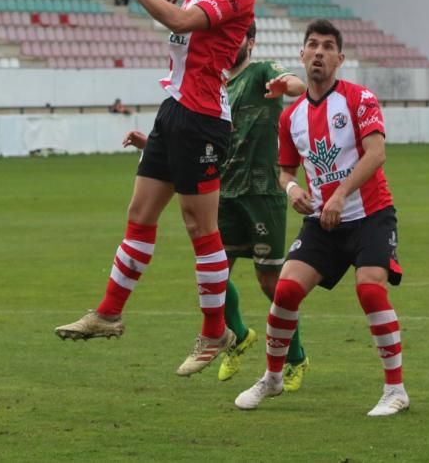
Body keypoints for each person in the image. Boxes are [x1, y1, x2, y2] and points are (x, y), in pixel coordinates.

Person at [54, 0, 255, 377]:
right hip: (174, 113)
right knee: (139, 215)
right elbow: (190, 5)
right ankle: (108, 313)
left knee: (199, 228)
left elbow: (184, 20)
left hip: (203, 119)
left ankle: (215, 332)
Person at [233, 19, 408, 417]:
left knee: (370, 290)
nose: (318, 52)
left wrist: (341, 193)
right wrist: (294, 191)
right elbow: (285, 172)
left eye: (328, 47)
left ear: (340, 58)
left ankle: (395, 390)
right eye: (312, 45)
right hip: (323, 222)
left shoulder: (359, 98)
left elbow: (376, 153)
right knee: (286, 291)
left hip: (370, 214)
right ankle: (273, 378)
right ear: (301, 55)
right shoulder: (290, 116)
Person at [122, 21, 310, 389]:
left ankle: (296, 358)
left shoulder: (261, 71)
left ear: (250, 41)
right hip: (222, 192)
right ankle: (238, 336)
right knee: (214, 274)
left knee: (271, 283)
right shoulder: (213, 80)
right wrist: (154, 146)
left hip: (261, 194)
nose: (229, 42)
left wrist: (288, 86)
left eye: (237, 36)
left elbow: (294, 82)